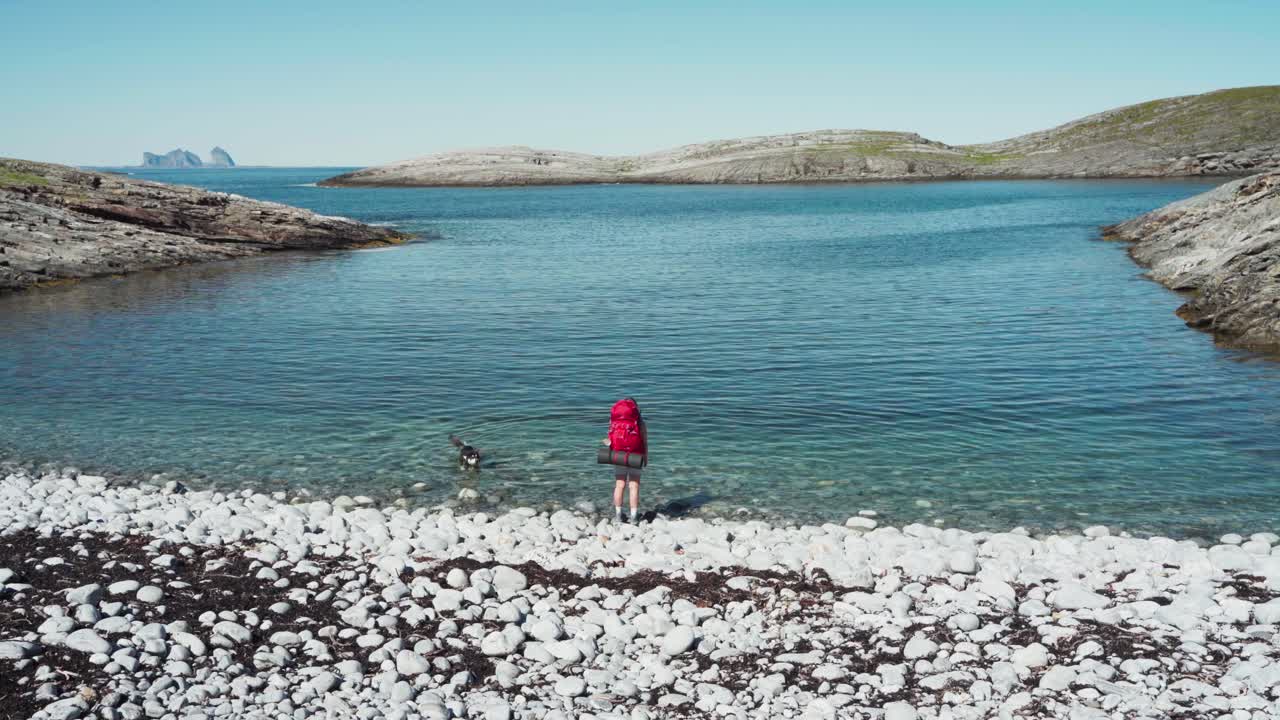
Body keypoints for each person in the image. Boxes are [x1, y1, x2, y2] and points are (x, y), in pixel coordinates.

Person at [602, 397, 647, 523]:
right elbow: (644, 442)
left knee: (619, 485)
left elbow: (609, 439)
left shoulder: (614, 422)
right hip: (635, 455)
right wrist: (646, 457)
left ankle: (618, 515)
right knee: (634, 486)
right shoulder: (640, 423)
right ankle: (633, 517)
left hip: (618, 455)